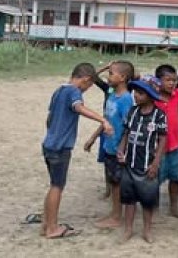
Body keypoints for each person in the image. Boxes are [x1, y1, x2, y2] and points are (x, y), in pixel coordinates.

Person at [40, 63, 113, 239]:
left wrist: (53, 133)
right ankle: (52, 228)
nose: (87, 90)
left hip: (49, 144)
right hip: (60, 148)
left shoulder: (59, 90)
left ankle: (46, 222)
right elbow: (78, 107)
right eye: (88, 86)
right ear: (85, 80)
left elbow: (49, 119)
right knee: (57, 186)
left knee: (53, 186)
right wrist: (102, 120)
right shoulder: (74, 92)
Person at [85, 61, 135, 229]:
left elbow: (129, 127)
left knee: (118, 183)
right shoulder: (112, 95)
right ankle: (115, 212)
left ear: (123, 78)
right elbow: (106, 119)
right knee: (113, 182)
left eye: (112, 73)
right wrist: (93, 138)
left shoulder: (127, 100)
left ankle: (117, 216)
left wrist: (122, 147)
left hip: (117, 149)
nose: (108, 76)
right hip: (108, 145)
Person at [116, 79, 167, 243]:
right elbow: (126, 132)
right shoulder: (132, 111)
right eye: (135, 92)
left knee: (147, 199)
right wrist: (121, 149)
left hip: (147, 165)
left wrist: (155, 163)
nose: (136, 96)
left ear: (150, 96)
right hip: (129, 163)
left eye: (140, 93)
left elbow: (162, 140)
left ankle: (147, 231)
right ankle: (128, 229)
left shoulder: (159, 115)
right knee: (129, 199)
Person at [153, 65, 178, 219]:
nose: (172, 83)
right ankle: (153, 206)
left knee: (175, 177)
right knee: (155, 178)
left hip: (175, 144)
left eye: (174, 80)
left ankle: (174, 206)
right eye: (167, 80)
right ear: (158, 81)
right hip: (157, 147)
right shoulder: (152, 97)